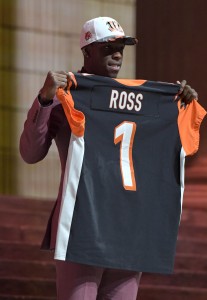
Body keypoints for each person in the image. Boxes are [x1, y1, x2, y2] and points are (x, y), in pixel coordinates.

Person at [20, 17, 200, 300]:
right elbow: (30, 154)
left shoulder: (147, 101)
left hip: (129, 227)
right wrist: (43, 99)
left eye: (122, 48)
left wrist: (180, 106)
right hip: (82, 225)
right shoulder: (65, 95)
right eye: (108, 48)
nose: (117, 54)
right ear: (87, 52)